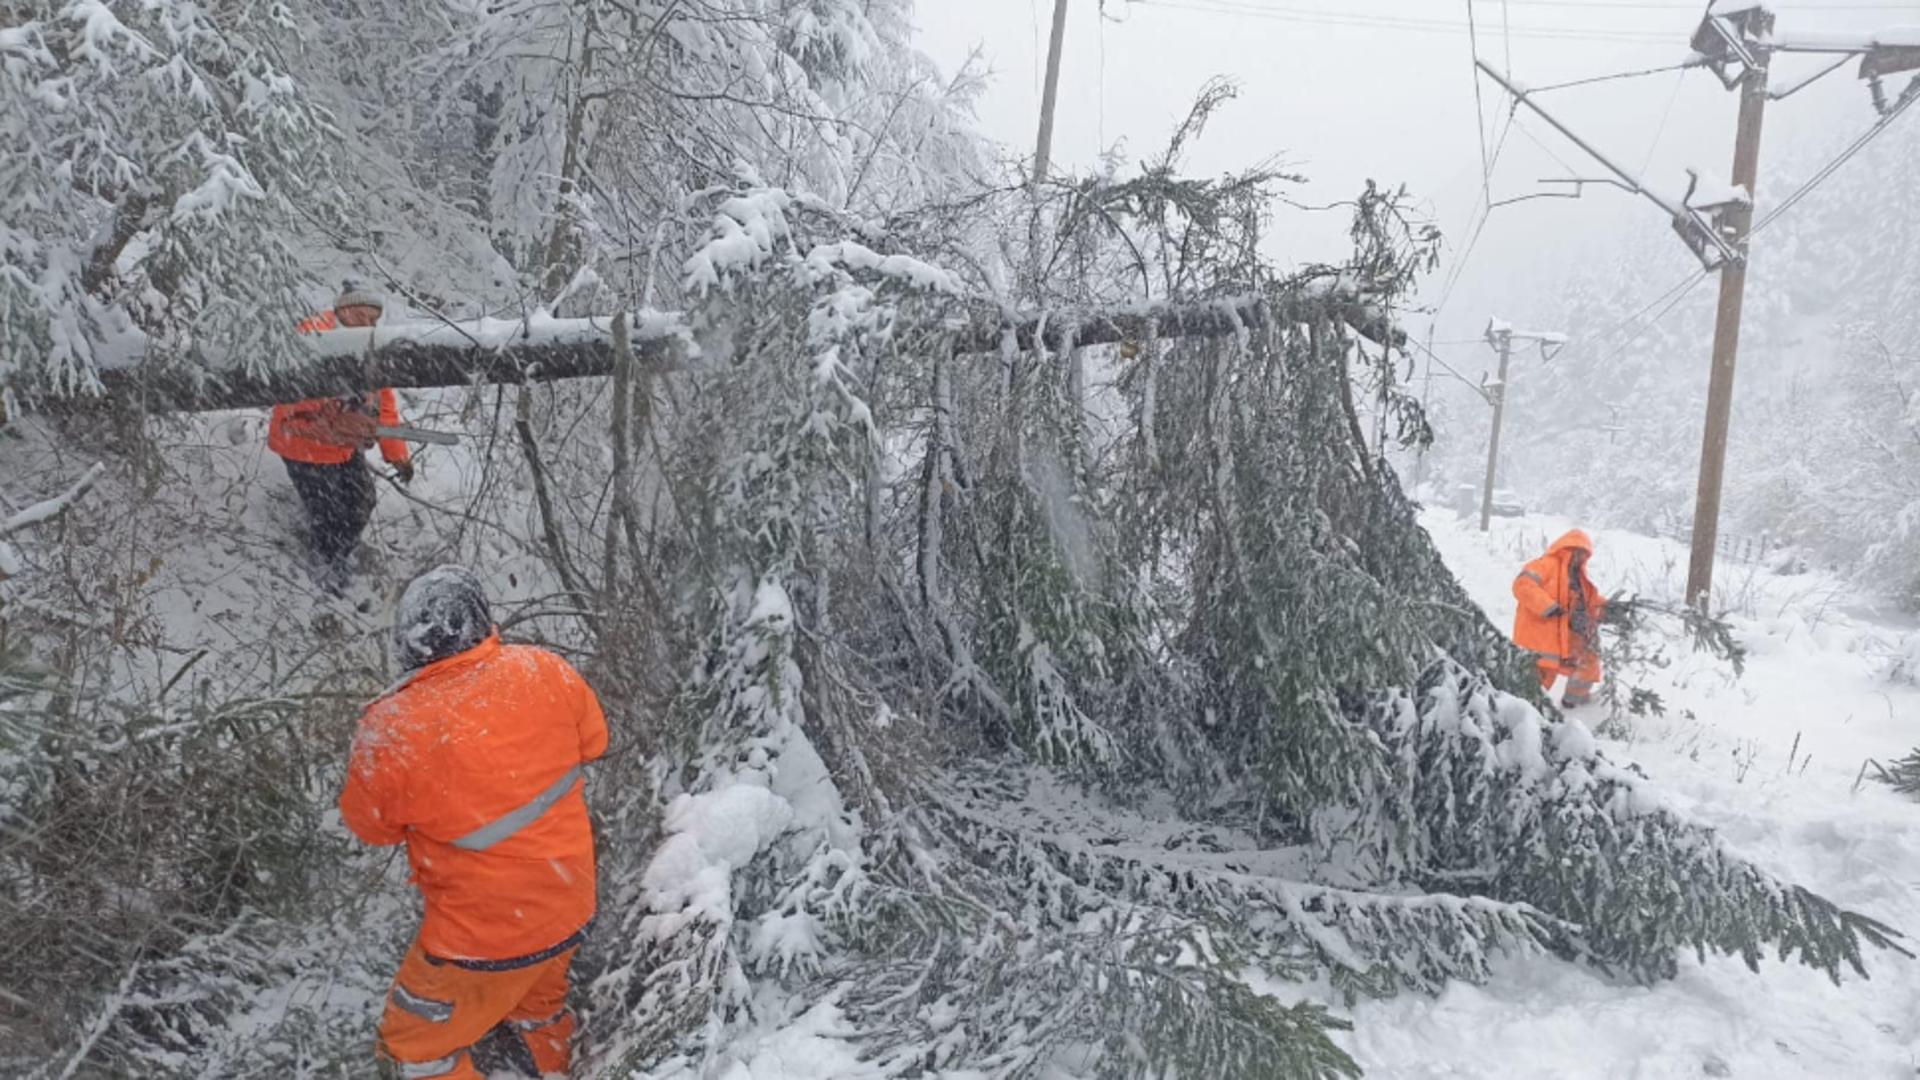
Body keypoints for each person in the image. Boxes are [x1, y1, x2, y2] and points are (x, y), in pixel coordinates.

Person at [339, 566, 607, 1079]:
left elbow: (370, 826)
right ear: (481, 621)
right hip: (568, 901)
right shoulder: (545, 669)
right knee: (538, 1005)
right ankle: (561, 1067)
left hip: (481, 938)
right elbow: (594, 743)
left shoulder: (392, 727)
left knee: (414, 1051)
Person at [267, 281, 413, 594]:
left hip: (343, 447)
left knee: (361, 501)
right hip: (302, 445)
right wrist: (335, 416)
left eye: (373, 319)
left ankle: (342, 551)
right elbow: (293, 405)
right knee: (328, 511)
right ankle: (324, 562)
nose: (367, 324)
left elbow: (384, 402)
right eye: (361, 315)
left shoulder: (370, 347)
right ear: (343, 310)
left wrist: (396, 453)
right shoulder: (313, 338)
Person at [1512, 529, 1608, 707]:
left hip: (1567, 634)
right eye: (1579, 552)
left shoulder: (1580, 578)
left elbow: (1590, 603)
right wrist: (1547, 606)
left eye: (1584, 554)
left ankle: (1575, 703)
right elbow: (1522, 585)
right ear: (1568, 549)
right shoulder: (1545, 565)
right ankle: (1523, 711)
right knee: (1538, 679)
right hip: (1540, 637)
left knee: (1589, 661)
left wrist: (1609, 610)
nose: (1581, 557)